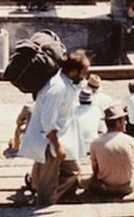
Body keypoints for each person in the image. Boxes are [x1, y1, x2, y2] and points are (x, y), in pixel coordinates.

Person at [19, 50, 90, 206]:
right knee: (47, 188)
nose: (86, 75)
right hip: (49, 143)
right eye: (84, 72)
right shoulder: (58, 89)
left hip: (61, 139)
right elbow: (47, 120)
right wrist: (57, 146)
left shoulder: (68, 82)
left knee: (73, 171)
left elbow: (80, 86)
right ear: (73, 72)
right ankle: (44, 202)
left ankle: (43, 190)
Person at [80, 105, 134, 196]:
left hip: (104, 187)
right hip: (126, 187)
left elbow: (95, 170)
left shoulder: (95, 143)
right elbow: (130, 162)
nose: (126, 122)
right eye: (123, 120)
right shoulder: (129, 140)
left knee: (82, 181)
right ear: (118, 123)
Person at [75, 89, 105, 157]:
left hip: (79, 148)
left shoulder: (73, 111)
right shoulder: (96, 110)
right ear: (91, 101)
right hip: (93, 146)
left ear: (79, 100)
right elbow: (101, 130)